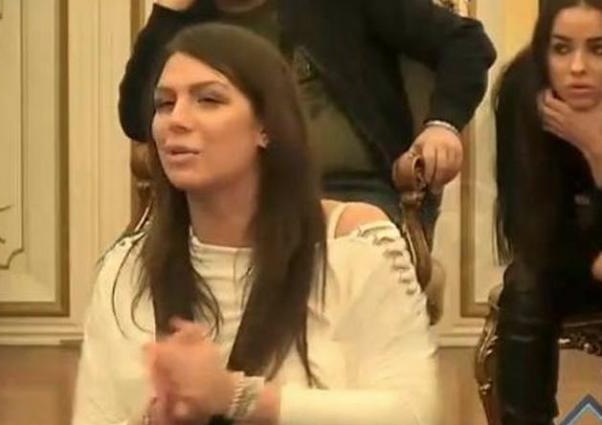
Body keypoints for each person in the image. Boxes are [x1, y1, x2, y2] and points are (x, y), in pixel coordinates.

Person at [73, 23, 439, 425]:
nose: (176, 120)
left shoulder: (354, 246)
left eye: (208, 100)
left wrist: (237, 397)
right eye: (164, 104)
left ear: (266, 127)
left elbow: (412, 413)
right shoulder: (126, 270)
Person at [119, 0, 496, 242]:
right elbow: (137, 118)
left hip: (351, 190)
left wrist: (442, 124)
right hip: (227, 198)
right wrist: (167, 13)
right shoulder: (185, 23)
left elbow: (466, 43)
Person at [493, 1, 602, 424]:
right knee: (525, 286)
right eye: (561, 49)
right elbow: (529, 229)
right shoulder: (522, 91)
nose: (578, 67)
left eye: (598, 49)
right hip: (563, 258)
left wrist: (596, 148)